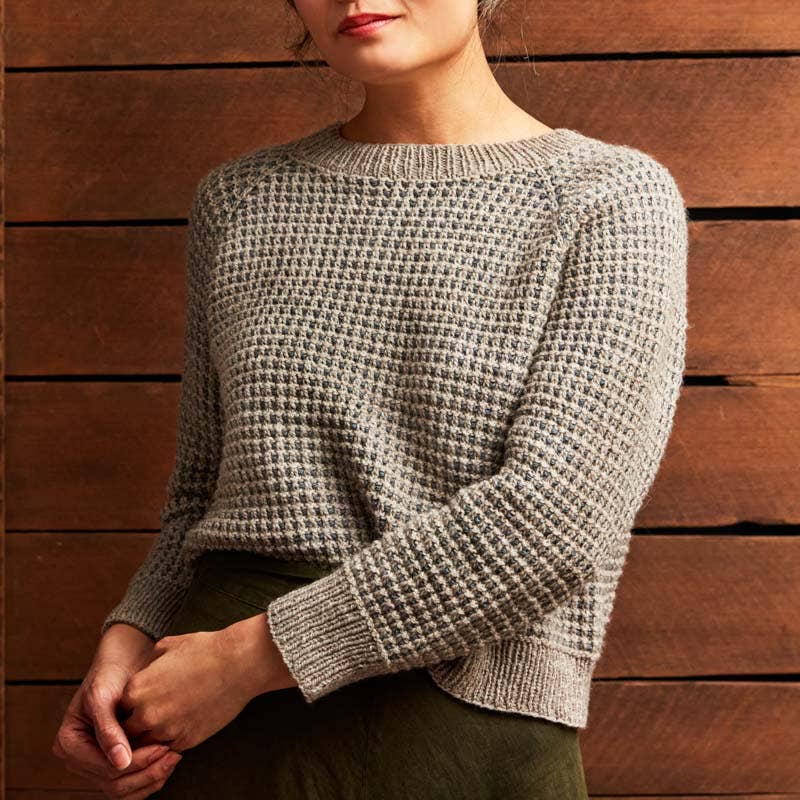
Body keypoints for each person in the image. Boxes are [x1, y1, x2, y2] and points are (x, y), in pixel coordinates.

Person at [52, 0, 689, 797]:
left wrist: (248, 661)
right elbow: (198, 494)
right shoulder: (241, 201)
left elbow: (556, 519)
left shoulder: (608, 198)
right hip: (217, 726)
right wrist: (126, 641)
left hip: (455, 724)